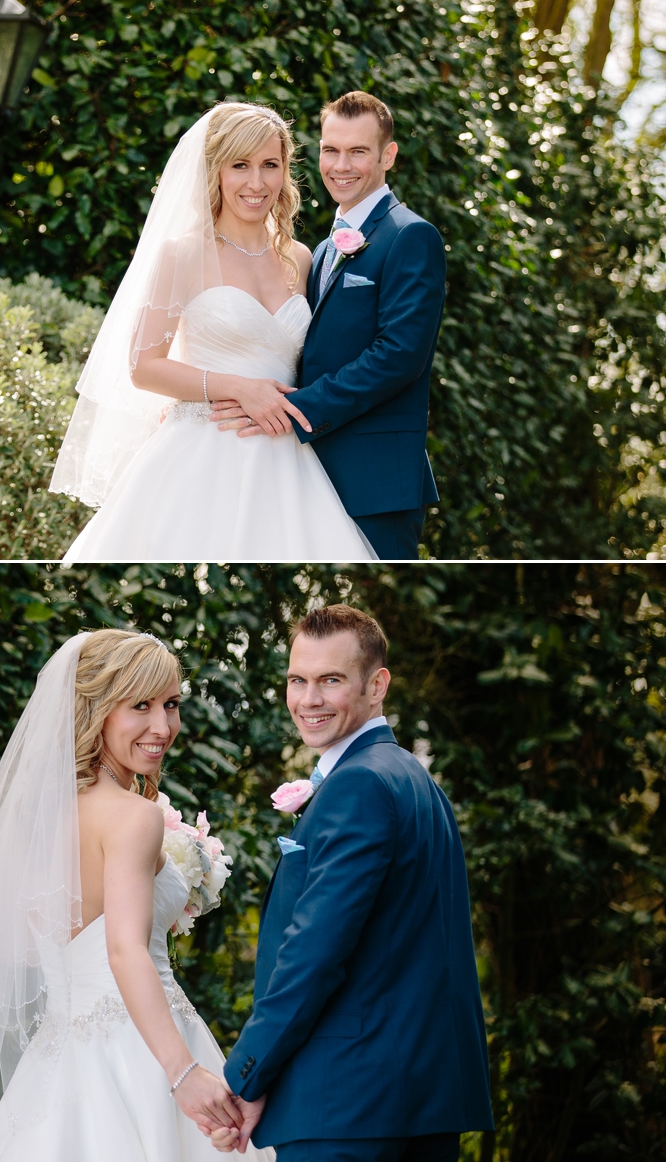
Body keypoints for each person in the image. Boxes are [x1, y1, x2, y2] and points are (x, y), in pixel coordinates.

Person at [0, 629, 274, 1161]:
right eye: (140, 705)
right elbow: (124, 950)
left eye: (172, 704)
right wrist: (182, 1072)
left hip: (61, 1056)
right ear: (97, 710)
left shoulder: (37, 819)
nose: (163, 727)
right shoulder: (135, 818)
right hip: (143, 1054)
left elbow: (28, 948)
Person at [208, 605, 494, 1160]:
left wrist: (247, 1074)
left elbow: (314, 953)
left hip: (346, 1107)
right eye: (298, 680)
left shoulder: (357, 785)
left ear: (377, 684)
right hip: (419, 1101)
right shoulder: (415, 780)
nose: (308, 700)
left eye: (330, 680)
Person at [48, 102, 376, 561]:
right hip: (204, 447)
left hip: (290, 456)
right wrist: (238, 388)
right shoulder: (183, 254)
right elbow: (144, 368)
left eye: (270, 165)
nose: (256, 183)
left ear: (286, 171)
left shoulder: (300, 257)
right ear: (215, 170)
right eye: (240, 165)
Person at [212, 93, 445, 561]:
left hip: (375, 480)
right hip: (301, 470)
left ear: (388, 156)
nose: (342, 165)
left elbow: (399, 355)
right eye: (330, 150)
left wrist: (294, 408)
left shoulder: (411, 235)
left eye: (358, 151)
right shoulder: (315, 252)